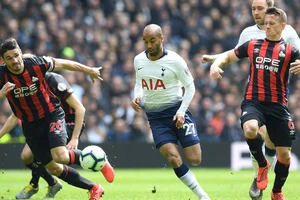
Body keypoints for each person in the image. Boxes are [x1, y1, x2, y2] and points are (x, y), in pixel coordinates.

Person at [201, 0, 300, 199]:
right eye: (253, 8)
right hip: (254, 94)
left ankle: (272, 187)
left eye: (260, 8)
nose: (256, 12)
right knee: (255, 130)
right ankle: (258, 174)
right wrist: (215, 60)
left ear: (270, 8)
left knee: (275, 145)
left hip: (278, 96)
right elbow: (235, 53)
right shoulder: (249, 36)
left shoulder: (287, 32)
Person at [0, 38, 113, 200]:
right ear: (3, 60)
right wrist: (1, 94)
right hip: (30, 126)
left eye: (16, 55)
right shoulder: (2, 75)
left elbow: (65, 64)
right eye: (9, 58)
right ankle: (94, 187)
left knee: (61, 156)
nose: (15, 61)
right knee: (54, 168)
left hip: (51, 115)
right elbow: (15, 114)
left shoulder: (37, 64)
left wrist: (88, 70)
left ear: (21, 54)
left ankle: (100, 161)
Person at [131, 24, 210, 200]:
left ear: (161, 39)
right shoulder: (138, 60)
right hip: (156, 117)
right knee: (173, 158)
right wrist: (137, 95)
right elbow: (139, 81)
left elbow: (190, 87)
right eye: (145, 41)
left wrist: (182, 111)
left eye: (152, 41)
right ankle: (202, 195)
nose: (149, 45)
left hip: (177, 112)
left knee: (195, 159)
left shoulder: (175, 61)